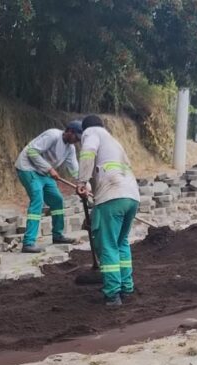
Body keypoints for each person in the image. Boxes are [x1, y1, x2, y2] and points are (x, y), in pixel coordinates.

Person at [76, 115, 141, 308]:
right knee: (121, 243)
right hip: (131, 196)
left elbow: (88, 152)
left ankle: (112, 294)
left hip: (112, 196)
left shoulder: (91, 132)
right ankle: (126, 287)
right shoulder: (113, 142)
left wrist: (81, 181)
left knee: (108, 246)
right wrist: (90, 188)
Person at [15, 121, 83, 253]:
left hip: (44, 173)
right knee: (38, 200)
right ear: (69, 131)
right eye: (76, 137)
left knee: (57, 200)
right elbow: (32, 152)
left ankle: (58, 235)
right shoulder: (53, 135)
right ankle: (28, 243)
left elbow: (74, 169)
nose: (76, 141)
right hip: (27, 168)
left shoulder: (70, 148)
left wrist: (82, 183)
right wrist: (49, 169)